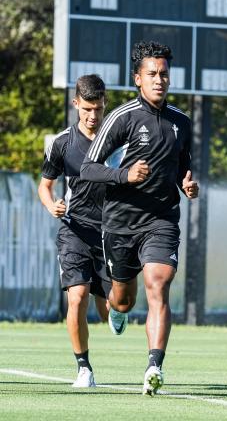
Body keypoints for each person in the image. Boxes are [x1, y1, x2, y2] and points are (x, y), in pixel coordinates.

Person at [80, 41, 199, 396]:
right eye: (152, 74)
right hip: (119, 222)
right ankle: (117, 309)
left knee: (159, 284)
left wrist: (188, 183)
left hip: (162, 219)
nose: (159, 80)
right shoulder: (122, 117)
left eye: (164, 74)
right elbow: (88, 168)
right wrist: (125, 176)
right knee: (123, 299)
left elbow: (183, 166)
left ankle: (154, 365)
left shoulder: (181, 121)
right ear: (138, 79)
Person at [38, 74, 110, 388]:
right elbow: (45, 186)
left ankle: (116, 307)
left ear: (105, 104)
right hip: (74, 231)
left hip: (111, 234)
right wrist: (51, 204)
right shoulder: (61, 143)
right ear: (76, 103)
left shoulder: (119, 137)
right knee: (76, 298)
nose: (93, 115)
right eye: (87, 109)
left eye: (99, 108)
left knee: (111, 311)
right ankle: (84, 368)